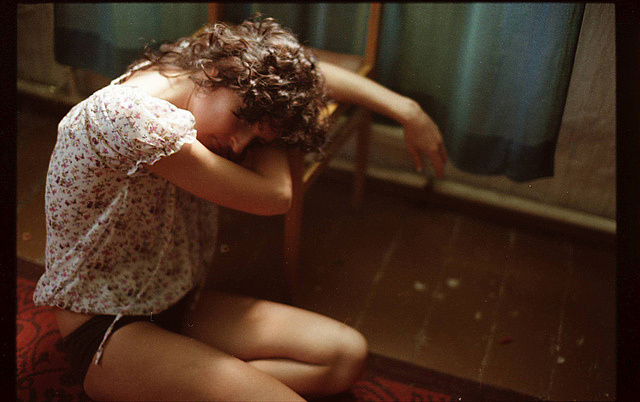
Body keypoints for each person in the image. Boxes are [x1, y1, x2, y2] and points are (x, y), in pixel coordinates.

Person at [33, 16, 447, 401]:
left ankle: (181, 385)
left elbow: (304, 71)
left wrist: (407, 111)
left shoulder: (194, 65)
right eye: (245, 121)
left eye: (256, 138)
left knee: (344, 355)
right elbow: (276, 197)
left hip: (170, 298)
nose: (239, 145)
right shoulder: (132, 118)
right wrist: (280, 125)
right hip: (107, 325)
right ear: (217, 73)